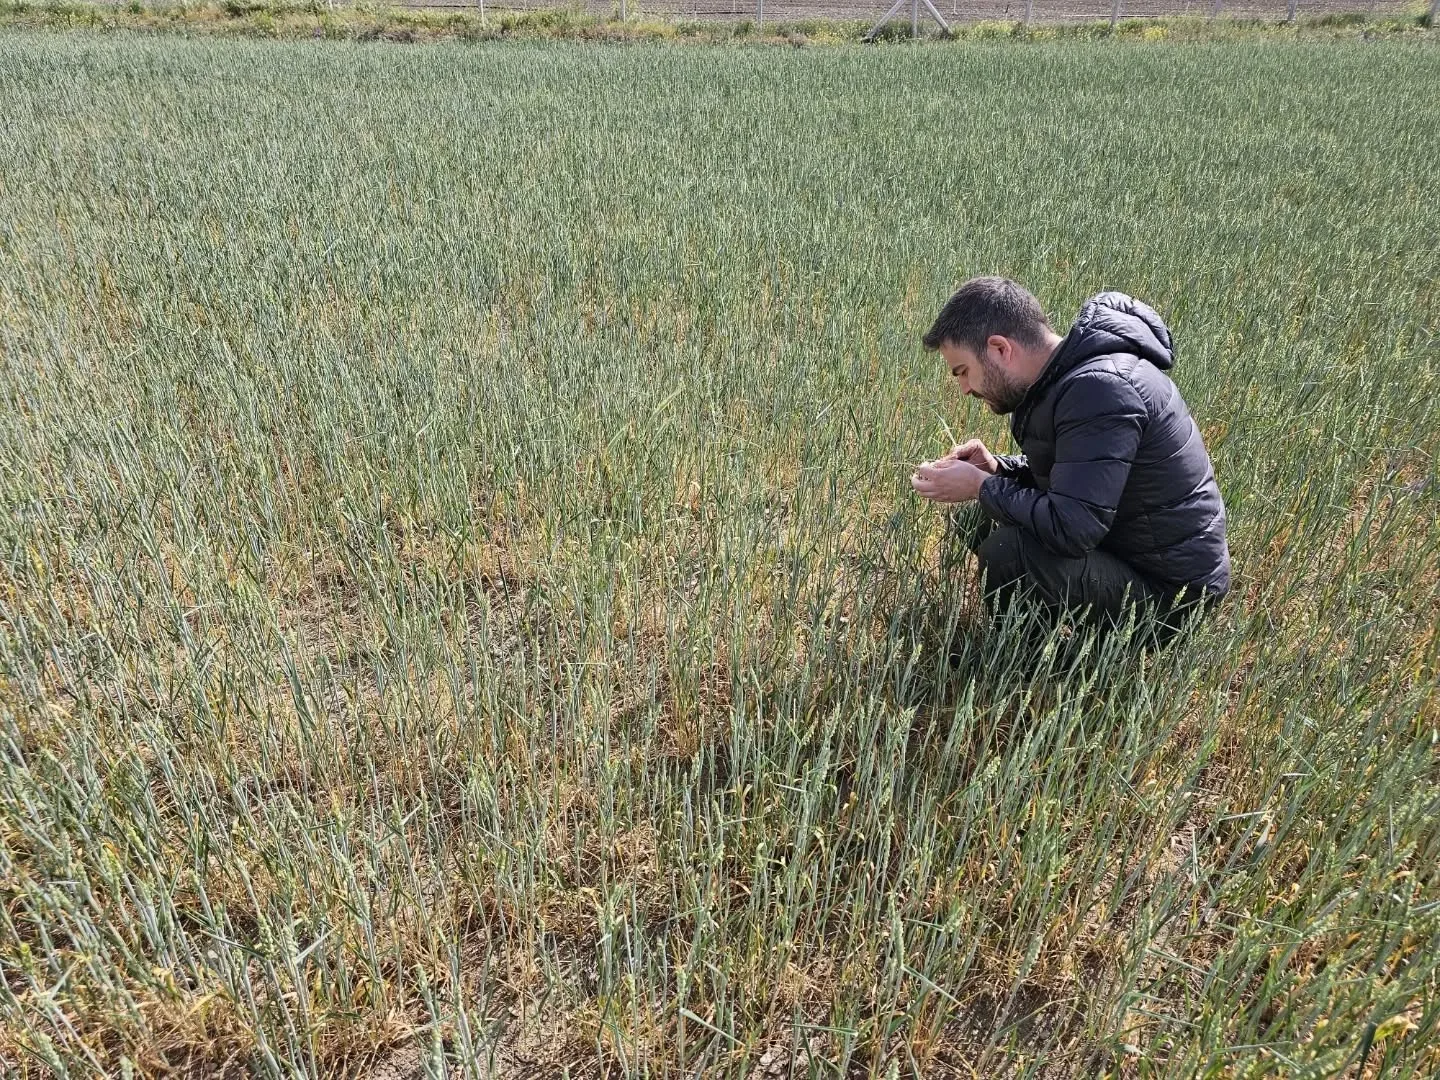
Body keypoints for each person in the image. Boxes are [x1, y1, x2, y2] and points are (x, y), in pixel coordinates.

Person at [910, 277, 1230, 636]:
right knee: (979, 519)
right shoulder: (1067, 382)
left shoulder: (1102, 389)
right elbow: (1078, 481)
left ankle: (1033, 668)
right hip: (1128, 549)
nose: (965, 388)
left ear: (1000, 349)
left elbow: (1073, 528)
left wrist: (983, 486)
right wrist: (998, 469)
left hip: (1174, 596)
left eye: (963, 371)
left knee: (1008, 553)